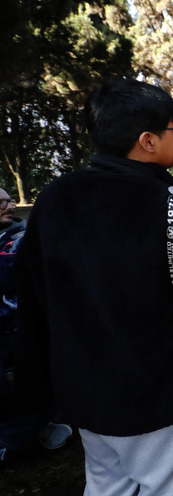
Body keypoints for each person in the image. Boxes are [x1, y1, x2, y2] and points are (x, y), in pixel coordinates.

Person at [13, 79, 173, 494]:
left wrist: (39, 376)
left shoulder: (54, 198)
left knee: (106, 485)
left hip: (82, 387)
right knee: (166, 486)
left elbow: (33, 294)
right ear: (147, 141)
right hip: (155, 389)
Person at [0, 189, 73, 462]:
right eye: (1, 203)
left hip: (22, 330)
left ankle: (11, 436)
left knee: (42, 376)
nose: (9, 206)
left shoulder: (20, 240)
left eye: (9, 201)